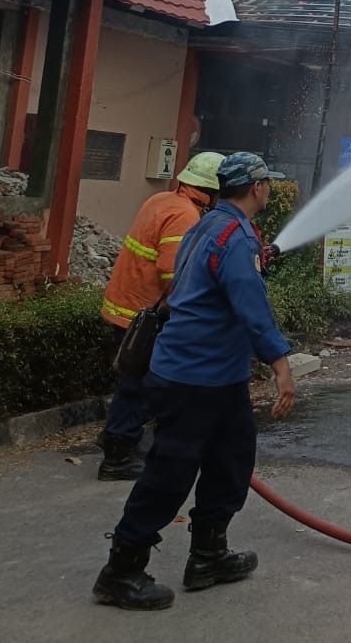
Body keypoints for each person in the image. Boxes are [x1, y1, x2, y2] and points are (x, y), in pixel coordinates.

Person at [92, 152, 297, 612]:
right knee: (171, 472)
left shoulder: (206, 225)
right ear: (257, 188)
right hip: (194, 376)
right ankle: (120, 571)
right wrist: (281, 362)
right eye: (268, 184)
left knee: (231, 461)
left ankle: (208, 556)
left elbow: (210, 282)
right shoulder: (231, 235)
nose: (269, 190)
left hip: (216, 377)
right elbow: (250, 303)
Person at [97, 151, 226, 480]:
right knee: (141, 386)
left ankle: (119, 437)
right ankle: (118, 456)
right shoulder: (185, 216)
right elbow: (173, 274)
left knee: (135, 382)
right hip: (146, 316)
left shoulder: (161, 200)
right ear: (211, 190)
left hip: (126, 310)